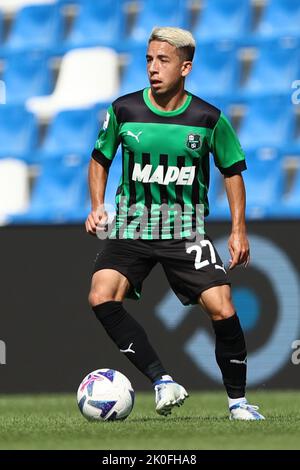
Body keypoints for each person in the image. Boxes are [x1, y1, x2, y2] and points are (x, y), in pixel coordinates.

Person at [86, 27, 265, 420]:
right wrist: (97, 205)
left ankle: (238, 402)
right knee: (101, 294)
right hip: (133, 224)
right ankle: (163, 381)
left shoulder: (208, 118)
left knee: (222, 307)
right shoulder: (124, 110)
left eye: (162, 60)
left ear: (185, 67)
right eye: (149, 59)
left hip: (184, 229)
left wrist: (238, 229)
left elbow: (232, 171)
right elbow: (100, 159)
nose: (153, 68)